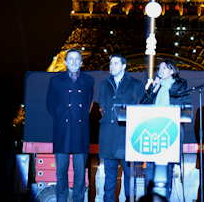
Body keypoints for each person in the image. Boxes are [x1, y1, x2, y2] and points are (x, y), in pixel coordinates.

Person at [46, 49, 94, 202]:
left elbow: (89, 103)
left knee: (80, 173)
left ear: (81, 62)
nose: (73, 62)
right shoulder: (55, 80)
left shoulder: (88, 80)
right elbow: (50, 104)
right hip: (62, 131)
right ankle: (62, 199)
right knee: (61, 172)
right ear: (65, 62)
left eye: (77, 59)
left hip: (81, 131)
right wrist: (61, 116)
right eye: (70, 59)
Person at [140, 59, 189, 199]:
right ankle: (149, 198)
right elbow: (142, 105)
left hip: (170, 132)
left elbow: (184, 106)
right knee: (149, 169)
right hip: (152, 132)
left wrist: (164, 87)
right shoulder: (155, 86)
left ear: (172, 70)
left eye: (164, 68)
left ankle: (164, 198)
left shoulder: (180, 85)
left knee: (167, 170)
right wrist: (153, 88)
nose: (160, 71)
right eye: (159, 68)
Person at [96, 54, 142, 202]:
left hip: (126, 137)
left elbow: (139, 108)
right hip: (108, 136)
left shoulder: (135, 84)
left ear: (124, 66)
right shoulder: (104, 84)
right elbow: (102, 106)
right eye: (110, 63)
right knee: (109, 178)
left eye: (115, 63)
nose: (111, 66)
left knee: (129, 177)